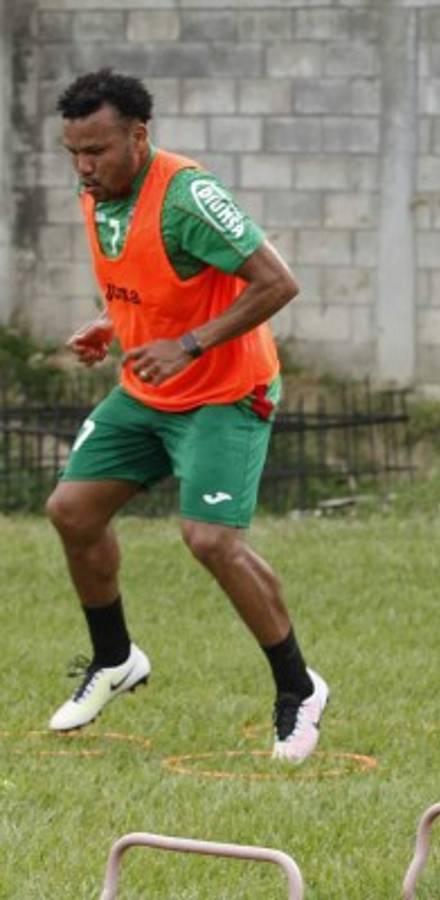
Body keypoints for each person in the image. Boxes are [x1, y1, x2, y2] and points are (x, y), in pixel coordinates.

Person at [44, 69, 328, 762]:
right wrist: (111, 325)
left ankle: (299, 689)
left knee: (209, 540)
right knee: (72, 512)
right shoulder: (99, 192)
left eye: (98, 150)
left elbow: (278, 282)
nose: (84, 166)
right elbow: (157, 276)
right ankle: (116, 659)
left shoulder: (189, 195)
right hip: (148, 390)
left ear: (139, 137)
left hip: (224, 393)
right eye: (73, 151)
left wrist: (191, 344)